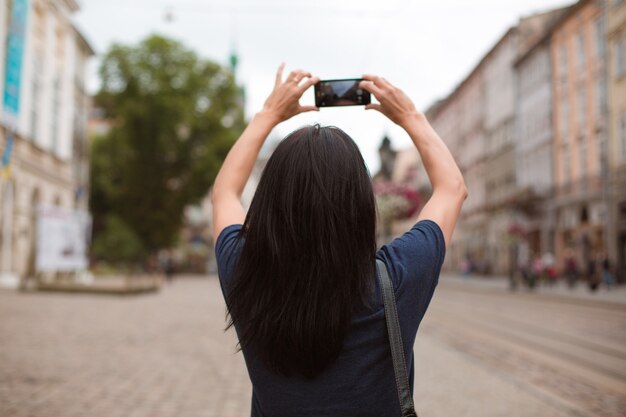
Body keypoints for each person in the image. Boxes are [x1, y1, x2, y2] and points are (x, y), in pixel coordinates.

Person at [211, 65, 467, 416]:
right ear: (360, 205)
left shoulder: (242, 269)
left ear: (270, 200)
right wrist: (410, 117)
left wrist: (267, 116)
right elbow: (452, 188)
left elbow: (224, 194)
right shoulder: (395, 278)